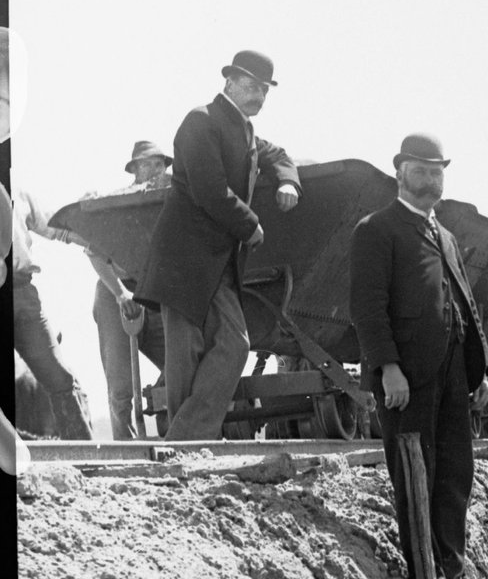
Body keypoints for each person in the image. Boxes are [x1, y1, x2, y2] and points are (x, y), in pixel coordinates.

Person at [349, 134, 488, 579]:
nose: (430, 179)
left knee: (455, 472)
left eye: (436, 171)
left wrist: (484, 372)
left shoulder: (446, 236)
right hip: (407, 378)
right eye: (420, 170)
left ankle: (451, 575)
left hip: (454, 371)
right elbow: (368, 309)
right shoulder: (376, 229)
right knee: (416, 474)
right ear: (399, 171)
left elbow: (467, 305)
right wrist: (388, 368)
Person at [136, 50, 301, 440]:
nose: (258, 94)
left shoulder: (244, 131)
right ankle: (186, 446)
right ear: (228, 82)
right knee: (185, 357)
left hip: (216, 264)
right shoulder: (201, 121)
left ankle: (184, 439)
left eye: (264, 89)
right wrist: (251, 225)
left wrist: (288, 180)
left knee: (233, 344)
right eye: (251, 85)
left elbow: (277, 154)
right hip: (184, 259)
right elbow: (210, 190)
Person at [81, 141, 174, 438]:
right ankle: (126, 448)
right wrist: (120, 294)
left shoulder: (173, 202)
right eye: (148, 164)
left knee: (181, 366)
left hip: (156, 294)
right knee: (121, 387)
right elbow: (96, 253)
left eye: (160, 164)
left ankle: (174, 432)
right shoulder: (117, 202)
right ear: (134, 169)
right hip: (116, 292)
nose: (156, 169)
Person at [11, 187, 97, 440]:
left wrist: (93, 227)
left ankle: (85, 456)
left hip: (23, 292)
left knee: (59, 376)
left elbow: (56, 226)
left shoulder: (18, 193)